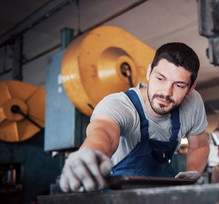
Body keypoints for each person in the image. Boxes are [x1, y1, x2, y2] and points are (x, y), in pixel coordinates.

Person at [59, 42, 210, 194]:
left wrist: (192, 173)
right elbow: (103, 132)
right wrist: (92, 152)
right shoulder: (119, 105)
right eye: (160, 78)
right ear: (149, 72)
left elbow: (199, 146)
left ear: (191, 88)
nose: (166, 92)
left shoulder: (193, 103)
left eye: (179, 85)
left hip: (163, 198)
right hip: (119, 201)